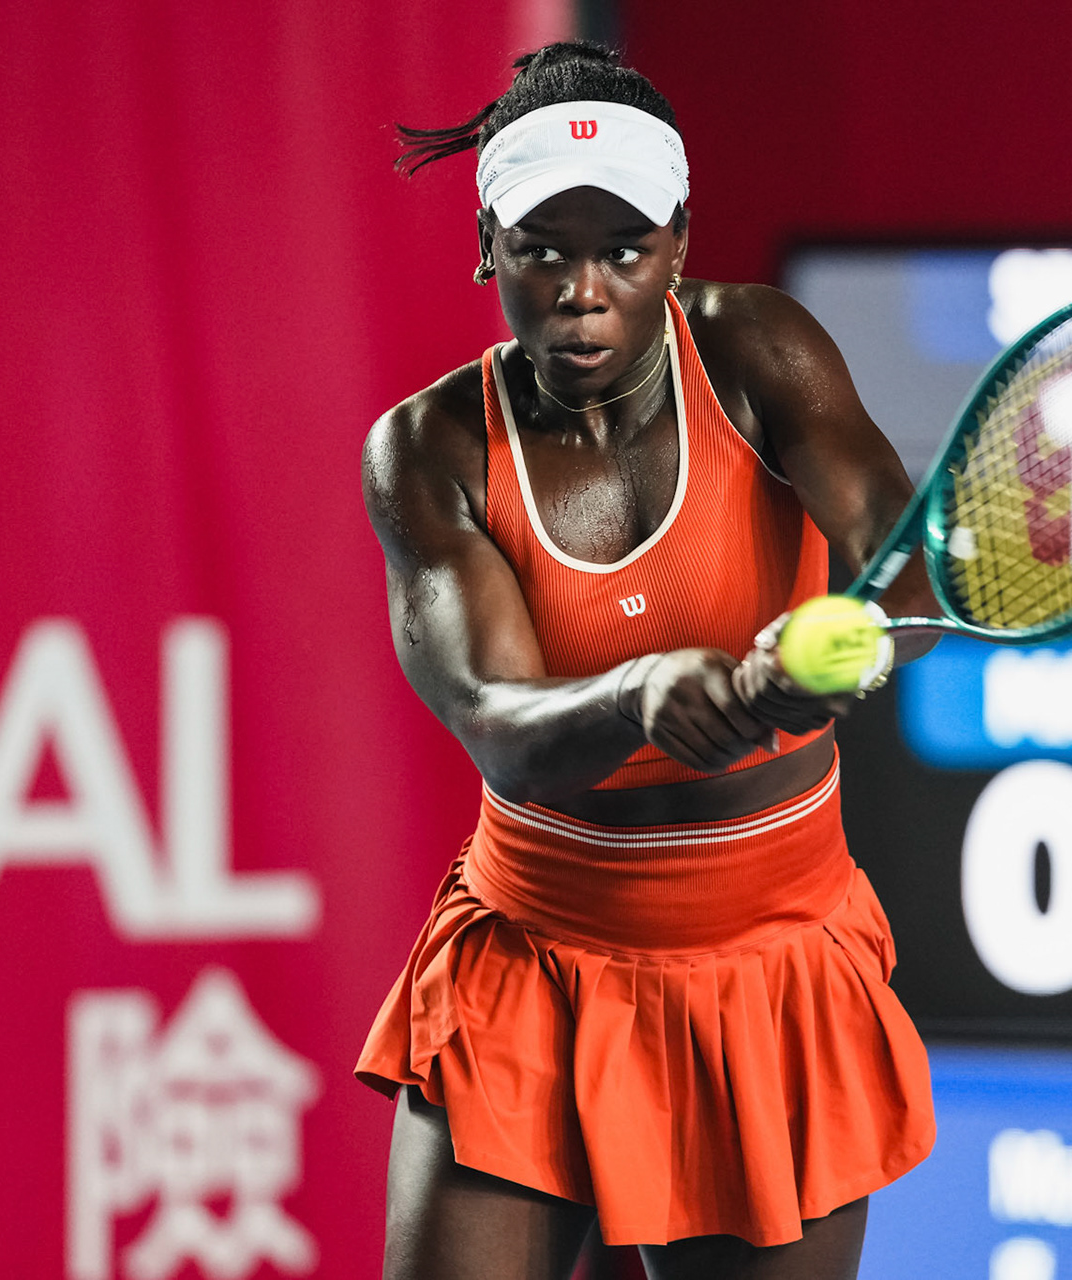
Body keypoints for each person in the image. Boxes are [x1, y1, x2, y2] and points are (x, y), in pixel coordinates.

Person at [355, 42, 940, 1280]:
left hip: (770, 964)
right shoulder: (429, 447)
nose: (581, 290)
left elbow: (910, 565)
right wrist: (640, 693)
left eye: (622, 248)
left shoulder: (759, 351)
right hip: (533, 957)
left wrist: (839, 655)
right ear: (485, 245)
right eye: (542, 249)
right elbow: (495, 720)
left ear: (679, 240)